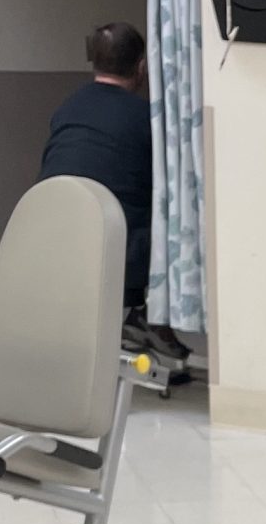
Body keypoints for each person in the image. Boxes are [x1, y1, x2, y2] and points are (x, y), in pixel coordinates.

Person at [39, 20, 185, 370]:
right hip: (118, 252)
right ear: (141, 66)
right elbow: (164, 191)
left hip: (52, 241)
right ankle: (149, 316)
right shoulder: (145, 119)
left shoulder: (67, 109)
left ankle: (133, 321)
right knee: (173, 221)